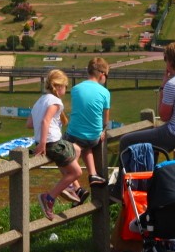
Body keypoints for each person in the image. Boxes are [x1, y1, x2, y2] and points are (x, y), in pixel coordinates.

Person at [119, 42, 175, 155]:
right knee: (154, 139)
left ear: (171, 61)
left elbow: (164, 117)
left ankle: (126, 173)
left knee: (126, 140)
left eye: (165, 59)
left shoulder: (173, 84)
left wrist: (163, 84)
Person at [27, 69, 86, 220]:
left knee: (76, 149)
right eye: (65, 86)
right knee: (77, 172)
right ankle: (50, 197)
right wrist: (42, 144)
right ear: (58, 86)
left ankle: (70, 186)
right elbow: (45, 121)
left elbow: (30, 123)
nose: (65, 90)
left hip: (50, 142)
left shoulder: (40, 100)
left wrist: (40, 137)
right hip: (52, 143)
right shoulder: (56, 101)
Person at [65, 58, 112, 187]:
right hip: (94, 138)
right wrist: (102, 131)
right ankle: (93, 174)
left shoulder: (75, 89)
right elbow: (105, 119)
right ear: (102, 75)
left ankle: (75, 186)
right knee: (86, 145)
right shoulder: (105, 93)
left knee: (66, 143)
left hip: (74, 135)